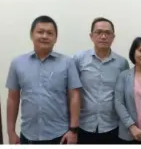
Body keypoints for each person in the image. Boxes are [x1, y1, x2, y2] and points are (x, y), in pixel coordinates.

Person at [6, 15, 82, 144]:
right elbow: (13, 98)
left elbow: (74, 96)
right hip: (28, 134)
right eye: (40, 32)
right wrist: (11, 132)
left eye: (50, 33)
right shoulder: (17, 63)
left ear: (55, 38)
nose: (45, 36)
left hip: (60, 135)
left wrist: (73, 130)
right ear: (31, 35)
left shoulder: (67, 62)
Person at [73, 17, 130, 144]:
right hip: (84, 125)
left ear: (113, 37)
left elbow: (125, 95)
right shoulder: (79, 59)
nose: (103, 36)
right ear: (91, 36)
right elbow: (72, 93)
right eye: (98, 32)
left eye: (107, 33)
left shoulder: (122, 63)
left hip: (112, 126)